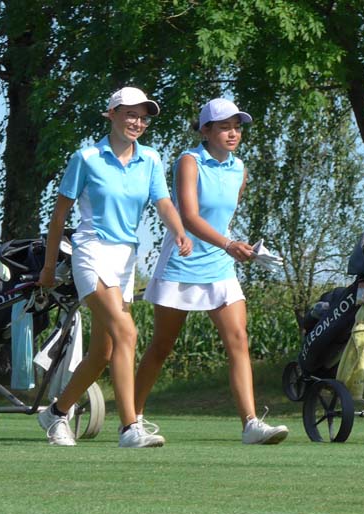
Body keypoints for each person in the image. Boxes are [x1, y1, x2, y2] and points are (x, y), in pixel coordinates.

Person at [37, 87, 192, 448]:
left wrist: (180, 230)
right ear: (111, 115)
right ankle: (129, 428)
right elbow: (59, 215)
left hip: (125, 259)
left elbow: (163, 202)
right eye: (129, 114)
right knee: (127, 333)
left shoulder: (151, 159)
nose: (137, 121)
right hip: (91, 250)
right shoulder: (87, 157)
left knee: (103, 353)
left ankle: (57, 413)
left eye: (143, 116)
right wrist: (48, 267)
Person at [133, 98, 289, 444]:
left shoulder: (240, 169)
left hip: (220, 266)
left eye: (237, 127)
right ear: (206, 130)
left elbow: (224, 218)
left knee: (238, 341)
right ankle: (134, 419)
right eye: (224, 126)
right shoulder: (189, 161)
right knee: (161, 346)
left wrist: (236, 246)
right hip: (182, 263)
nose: (233, 133)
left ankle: (251, 424)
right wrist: (228, 245)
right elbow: (188, 217)